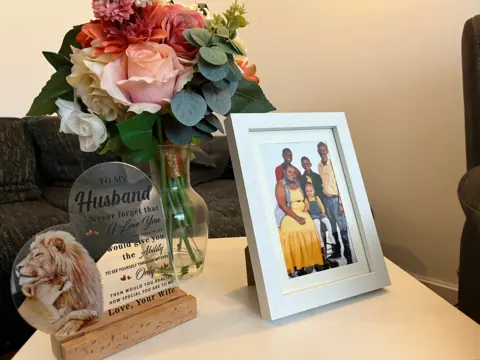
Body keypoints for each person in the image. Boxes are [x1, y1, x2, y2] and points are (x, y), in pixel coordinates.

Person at [275, 164, 324, 277]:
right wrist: (297, 218)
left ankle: (310, 261)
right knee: (291, 231)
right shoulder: (280, 185)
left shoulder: (297, 183)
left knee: (310, 228)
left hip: (303, 212)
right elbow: (282, 205)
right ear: (284, 172)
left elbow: (305, 198)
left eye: (293, 172)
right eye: (289, 172)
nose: (292, 174)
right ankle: (297, 264)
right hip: (288, 213)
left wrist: (307, 208)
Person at [317, 142, 353, 264]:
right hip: (326, 201)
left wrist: (341, 204)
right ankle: (337, 251)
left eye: (323, 149)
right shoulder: (319, 166)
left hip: (336, 200)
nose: (322, 151)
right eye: (319, 149)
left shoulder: (334, 164)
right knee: (333, 229)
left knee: (343, 229)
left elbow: (340, 184)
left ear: (327, 150)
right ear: (318, 151)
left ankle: (349, 256)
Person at [303, 183, 336, 254]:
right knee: (317, 222)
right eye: (307, 191)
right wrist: (305, 208)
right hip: (314, 215)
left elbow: (321, 206)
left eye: (310, 191)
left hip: (320, 214)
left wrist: (323, 212)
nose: (309, 193)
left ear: (314, 191)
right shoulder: (306, 200)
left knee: (327, 220)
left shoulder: (317, 198)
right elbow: (307, 208)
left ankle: (330, 235)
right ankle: (320, 240)